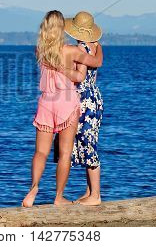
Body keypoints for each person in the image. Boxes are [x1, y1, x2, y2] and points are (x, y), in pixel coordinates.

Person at [22, 10, 103, 207]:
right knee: (65, 153)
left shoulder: (39, 50)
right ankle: (58, 197)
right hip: (66, 102)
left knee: (41, 152)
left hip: (46, 102)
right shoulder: (71, 51)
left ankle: (33, 188)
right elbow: (95, 63)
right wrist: (97, 46)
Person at [54, 11, 104, 206]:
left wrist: (59, 68)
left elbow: (79, 75)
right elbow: (98, 62)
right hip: (94, 96)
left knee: (87, 142)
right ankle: (90, 191)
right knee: (87, 140)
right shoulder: (95, 46)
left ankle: (96, 195)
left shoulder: (81, 48)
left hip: (84, 98)